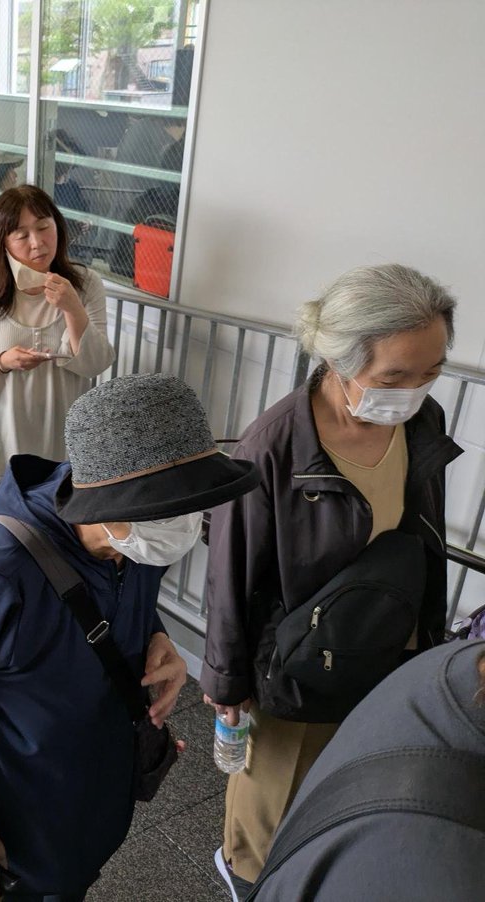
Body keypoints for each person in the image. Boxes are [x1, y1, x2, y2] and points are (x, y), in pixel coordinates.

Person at [0, 373, 259, 902]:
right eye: (169, 509)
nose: (185, 525)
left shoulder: (128, 540)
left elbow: (121, 594)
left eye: (191, 507)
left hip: (87, 783)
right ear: (106, 503)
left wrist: (157, 637)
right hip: (15, 811)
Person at [202, 264, 462, 895]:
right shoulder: (275, 447)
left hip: (381, 644)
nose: (416, 391)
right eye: (395, 377)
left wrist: (427, 641)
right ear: (342, 363)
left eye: (432, 372)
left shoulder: (418, 423)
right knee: (271, 811)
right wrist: (226, 680)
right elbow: (231, 574)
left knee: (350, 785)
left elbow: (422, 539)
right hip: (295, 659)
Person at [247, 640, 485, 902]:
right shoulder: (436, 866)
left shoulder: (455, 665)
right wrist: (225, 680)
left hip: (334, 662)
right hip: (295, 669)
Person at [0, 185, 113, 487]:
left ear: (58, 227)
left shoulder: (85, 284)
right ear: (3, 242)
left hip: (66, 446)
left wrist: (73, 309)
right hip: (4, 445)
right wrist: (1, 361)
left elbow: (96, 363)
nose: (37, 243)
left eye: (43, 227)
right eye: (22, 235)